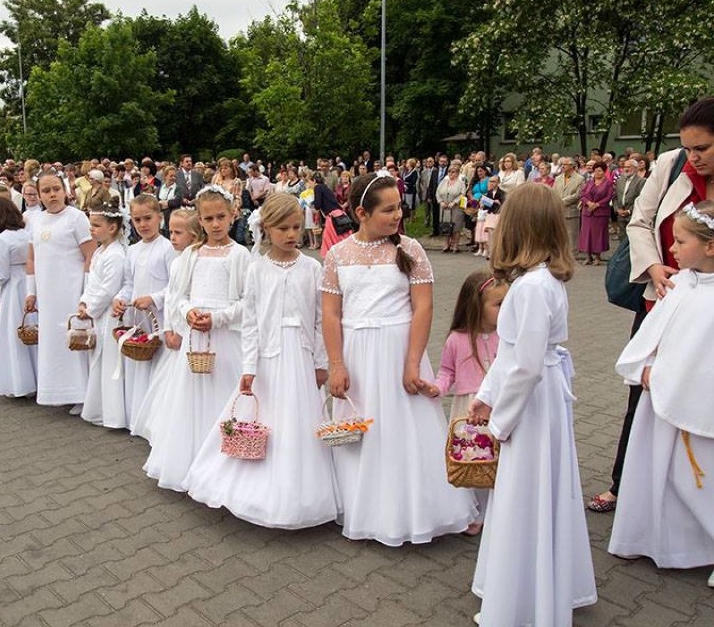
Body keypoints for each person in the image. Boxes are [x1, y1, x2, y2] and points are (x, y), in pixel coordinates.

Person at [322, 171, 477, 546]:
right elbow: (330, 314)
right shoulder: (338, 254)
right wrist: (336, 364)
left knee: (408, 430)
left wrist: (413, 361)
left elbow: (423, 308)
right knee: (365, 432)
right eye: (388, 209)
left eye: (399, 207)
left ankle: (420, 509)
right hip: (358, 353)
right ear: (362, 212)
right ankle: (367, 508)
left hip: (398, 350)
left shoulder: (410, 250)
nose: (397, 215)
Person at [467, 183, 596, 626]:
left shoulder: (532, 288)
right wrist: (485, 396)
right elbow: (513, 354)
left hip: (532, 405)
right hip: (537, 399)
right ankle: (527, 585)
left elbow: (525, 365)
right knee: (531, 493)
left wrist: (501, 420)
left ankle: (525, 599)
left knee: (528, 494)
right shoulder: (538, 282)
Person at [588, 96, 714, 514]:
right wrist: (655, 267)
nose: (694, 158)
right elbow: (640, 221)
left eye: (703, 149)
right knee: (643, 392)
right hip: (660, 298)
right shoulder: (672, 164)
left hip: (707, 309)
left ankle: (690, 498)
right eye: (689, 148)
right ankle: (625, 484)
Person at [185, 193, 338, 529]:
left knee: (300, 419)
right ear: (266, 228)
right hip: (269, 358)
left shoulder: (313, 268)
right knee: (268, 418)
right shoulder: (257, 269)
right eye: (283, 227)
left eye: (297, 226)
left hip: (300, 355)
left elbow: (319, 319)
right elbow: (251, 322)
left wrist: (321, 362)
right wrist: (249, 367)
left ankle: (302, 494)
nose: (291, 234)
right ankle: (257, 489)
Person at [608, 201, 714, 585]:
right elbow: (654, 337)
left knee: (695, 480)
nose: (671, 248)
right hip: (662, 398)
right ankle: (656, 540)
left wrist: (675, 378)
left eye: (680, 241)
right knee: (659, 473)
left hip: (698, 406)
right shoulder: (681, 283)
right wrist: (645, 365)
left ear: (710, 246)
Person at [143, 186, 251, 492]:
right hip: (195, 341)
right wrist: (188, 312)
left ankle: (223, 468)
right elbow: (179, 296)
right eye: (208, 218)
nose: (215, 224)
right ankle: (189, 465)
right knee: (190, 403)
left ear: (233, 216)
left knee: (222, 400)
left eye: (221, 217)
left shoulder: (240, 255)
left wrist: (218, 318)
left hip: (225, 339)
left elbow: (248, 301)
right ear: (199, 222)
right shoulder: (191, 255)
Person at [430, 271, 507, 536]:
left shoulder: (508, 337)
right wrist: (435, 389)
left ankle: (498, 511)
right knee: (473, 463)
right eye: (498, 304)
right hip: (467, 409)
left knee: (499, 462)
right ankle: (475, 511)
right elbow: (446, 373)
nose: (505, 310)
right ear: (476, 306)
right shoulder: (457, 339)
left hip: (499, 406)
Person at [25, 172, 95, 411]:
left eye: (56, 188)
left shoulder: (76, 218)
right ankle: (57, 391)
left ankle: (82, 394)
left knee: (74, 339)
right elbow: (32, 258)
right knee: (53, 342)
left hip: (71, 290)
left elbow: (90, 255)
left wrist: (85, 293)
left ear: (65, 190)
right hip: (48, 294)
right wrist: (30, 292)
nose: (52, 194)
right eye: (46, 191)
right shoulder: (35, 220)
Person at [130, 208, 200, 443]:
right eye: (171, 231)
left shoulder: (194, 261)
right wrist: (169, 328)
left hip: (188, 329)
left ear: (194, 234)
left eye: (179, 232)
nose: (173, 237)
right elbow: (171, 297)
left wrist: (180, 330)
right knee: (169, 386)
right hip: (174, 327)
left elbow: (188, 298)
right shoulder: (177, 262)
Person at [111, 194, 175, 433]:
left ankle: (155, 422)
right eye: (137, 219)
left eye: (148, 218)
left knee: (157, 367)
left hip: (158, 319)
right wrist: (120, 299)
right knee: (139, 367)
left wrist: (154, 298)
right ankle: (136, 417)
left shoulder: (168, 248)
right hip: (138, 320)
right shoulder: (133, 251)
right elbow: (129, 282)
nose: (143, 224)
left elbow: (175, 286)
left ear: (160, 217)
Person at [0, 195, 37, 398]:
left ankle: (20, 382)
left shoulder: (2, 239)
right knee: (31, 330)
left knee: (14, 334)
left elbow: (1, 273)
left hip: (13, 287)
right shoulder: (25, 233)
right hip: (29, 282)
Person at [78, 200, 127, 428]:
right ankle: (98, 408)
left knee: (108, 362)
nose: (92, 229)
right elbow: (92, 283)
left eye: (96, 225)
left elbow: (109, 288)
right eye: (91, 225)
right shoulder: (100, 251)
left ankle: (112, 413)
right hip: (97, 312)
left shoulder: (116, 255)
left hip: (108, 314)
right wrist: (83, 302)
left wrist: (91, 308)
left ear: (113, 227)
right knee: (96, 359)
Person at [578, 162, 614, 265]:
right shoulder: (589, 182)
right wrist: (589, 203)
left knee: (598, 236)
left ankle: (597, 257)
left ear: (604, 172)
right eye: (595, 171)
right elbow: (582, 194)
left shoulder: (608, 183)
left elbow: (608, 196)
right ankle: (588, 256)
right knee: (586, 235)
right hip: (587, 212)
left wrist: (597, 204)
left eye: (600, 171)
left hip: (600, 213)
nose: (597, 173)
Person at [555, 157, 585, 256]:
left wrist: (562, 201)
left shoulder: (580, 178)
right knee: (559, 234)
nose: (562, 166)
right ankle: (561, 253)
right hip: (558, 210)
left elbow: (578, 195)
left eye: (565, 164)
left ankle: (573, 254)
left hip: (571, 210)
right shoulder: (558, 178)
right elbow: (553, 191)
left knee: (572, 234)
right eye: (562, 164)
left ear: (572, 166)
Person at [612, 159, 646, 241]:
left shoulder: (641, 181)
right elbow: (615, 197)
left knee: (632, 241)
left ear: (635, 168)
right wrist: (617, 209)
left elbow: (641, 199)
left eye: (629, 167)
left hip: (633, 215)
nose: (626, 169)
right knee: (622, 239)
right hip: (620, 215)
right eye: (624, 167)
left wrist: (629, 211)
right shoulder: (620, 181)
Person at [437, 162, 467, 253]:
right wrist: (441, 201)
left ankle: (455, 245)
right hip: (444, 208)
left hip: (456, 208)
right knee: (446, 226)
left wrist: (454, 202)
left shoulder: (461, 183)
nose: (451, 173)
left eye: (453, 172)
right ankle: (446, 245)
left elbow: (463, 194)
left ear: (457, 173)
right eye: (449, 172)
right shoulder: (444, 181)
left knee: (456, 227)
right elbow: (437, 192)